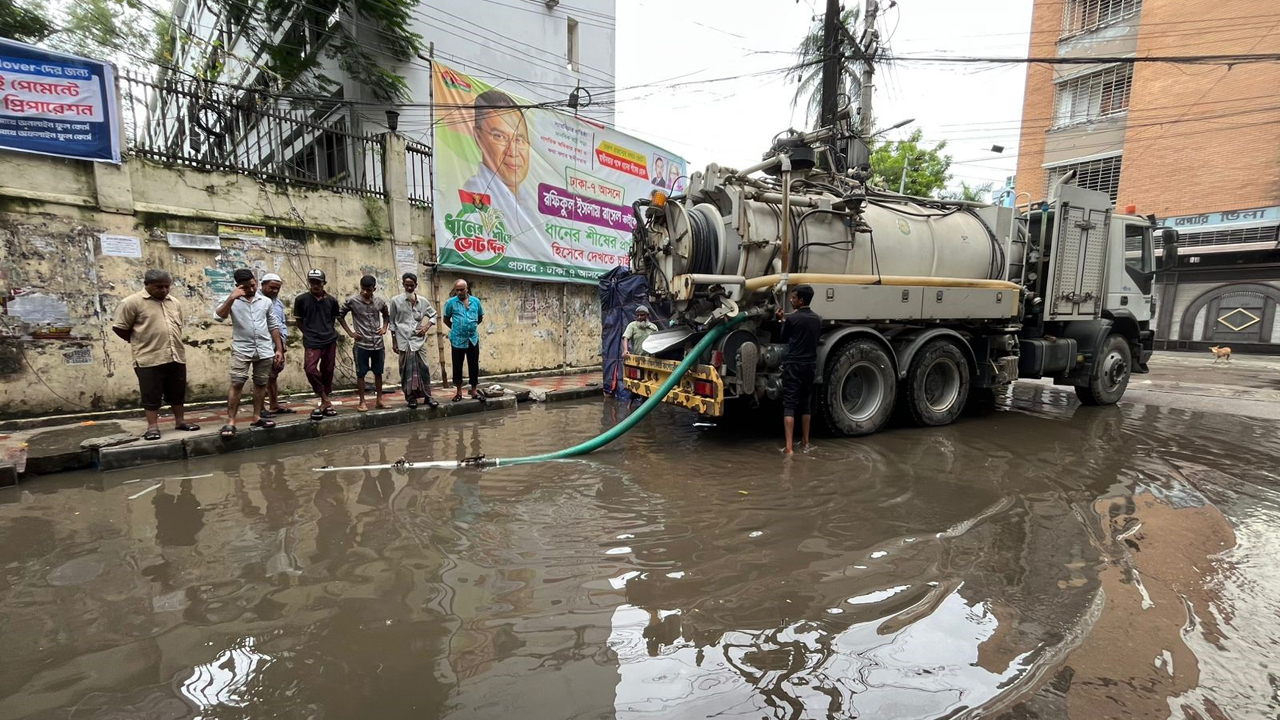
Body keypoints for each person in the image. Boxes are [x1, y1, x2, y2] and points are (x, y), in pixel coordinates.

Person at [111, 269, 200, 441]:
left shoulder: (174, 302)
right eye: (159, 287)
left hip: (175, 355)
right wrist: (139, 341)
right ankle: (152, 426)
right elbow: (120, 328)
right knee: (151, 394)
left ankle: (180, 421)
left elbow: (178, 326)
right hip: (148, 357)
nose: (164, 290)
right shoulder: (132, 302)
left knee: (177, 391)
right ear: (147, 285)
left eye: (167, 287)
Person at [461, 89, 540, 241]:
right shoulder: (475, 195)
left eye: (519, 140)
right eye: (500, 137)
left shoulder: (530, 201)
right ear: (478, 137)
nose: (513, 151)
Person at [214, 269, 284, 437]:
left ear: (256, 281)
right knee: (237, 383)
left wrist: (279, 349)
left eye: (253, 285)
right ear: (238, 286)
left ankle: (257, 416)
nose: (251, 289)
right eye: (246, 287)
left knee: (261, 383)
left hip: (264, 349)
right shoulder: (231, 300)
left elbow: (273, 325)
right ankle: (231, 421)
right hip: (242, 349)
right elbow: (218, 317)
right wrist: (232, 298)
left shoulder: (265, 301)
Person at [777, 284, 820, 455]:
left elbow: (784, 338)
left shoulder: (793, 319)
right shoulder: (818, 319)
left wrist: (782, 320)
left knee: (790, 405)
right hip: (810, 365)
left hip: (794, 365)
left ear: (801, 300)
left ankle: (789, 448)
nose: (790, 300)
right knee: (806, 404)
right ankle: (806, 442)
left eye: (793, 298)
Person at [293, 269, 341, 419]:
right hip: (312, 340)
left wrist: (327, 331)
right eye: (312, 282)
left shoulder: (332, 301)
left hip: (329, 339)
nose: (315, 285)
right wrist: (308, 332)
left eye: (318, 282)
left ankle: (324, 402)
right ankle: (326, 399)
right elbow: (299, 320)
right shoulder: (301, 300)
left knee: (328, 370)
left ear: (324, 283)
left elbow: (332, 320)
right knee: (310, 369)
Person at [338, 275, 391, 412]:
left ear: (374, 288)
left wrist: (384, 327)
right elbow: (340, 316)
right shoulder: (352, 301)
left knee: (378, 372)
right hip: (361, 344)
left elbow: (386, 314)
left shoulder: (379, 302)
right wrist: (350, 332)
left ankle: (379, 400)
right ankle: (362, 401)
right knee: (360, 373)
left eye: (369, 290)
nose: (366, 292)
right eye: (363, 289)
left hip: (378, 344)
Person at [389, 272, 439, 409]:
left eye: (412, 285)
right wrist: (394, 342)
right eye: (407, 285)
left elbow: (434, 315)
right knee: (406, 371)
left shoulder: (423, 301)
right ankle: (411, 398)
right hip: (403, 341)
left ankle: (428, 396)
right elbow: (392, 323)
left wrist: (426, 326)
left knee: (424, 368)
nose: (409, 288)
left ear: (416, 285)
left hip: (418, 341)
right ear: (403, 285)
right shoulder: (395, 301)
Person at [443, 278, 484, 402]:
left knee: (473, 365)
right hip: (457, 340)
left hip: (472, 339)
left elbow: (480, 317)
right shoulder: (450, 303)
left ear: (467, 289)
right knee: (457, 365)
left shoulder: (476, 301)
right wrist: (456, 329)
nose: (460, 292)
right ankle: (459, 392)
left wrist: (470, 327)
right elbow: (446, 319)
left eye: (462, 289)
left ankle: (474, 390)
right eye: (457, 290)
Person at [259, 273, 294, 416]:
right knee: (261, 378)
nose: (274, 291)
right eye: (271, 288)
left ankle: (274, 405)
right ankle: (260, 408)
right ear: (263, 285)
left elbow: (282, 324)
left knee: (273, 375)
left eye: (277, 289)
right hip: (262, 344)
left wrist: (282, 343)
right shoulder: (256, 301)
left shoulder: (278, 304)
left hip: (277, 345)